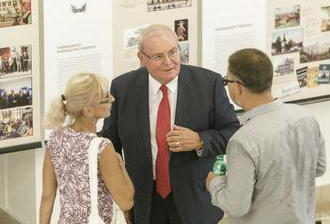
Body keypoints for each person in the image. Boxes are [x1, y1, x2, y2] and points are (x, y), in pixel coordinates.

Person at [101, 24, 240, 224]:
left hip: (195, 201)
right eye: (158, 57)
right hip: (144, 203)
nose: (169, 62)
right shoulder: (122, 87)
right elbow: (110, 145)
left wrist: (200, 140)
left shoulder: (208, 83)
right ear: (141, 59)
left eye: (173, 52)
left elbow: (233, 133)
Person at [206, 48, 327, 224]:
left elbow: (236, 206)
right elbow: (319, 168)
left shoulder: (242, 141)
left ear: (238, 87)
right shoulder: (305, 117)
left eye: (227, 81)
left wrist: (214, 183)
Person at [39, 72, 134, 224]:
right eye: (106, 98)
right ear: (88, 110)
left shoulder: (55, 138)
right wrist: (121, 167)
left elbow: (47, 196)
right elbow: (126, 201)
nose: (113, 99)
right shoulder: (102, 147)